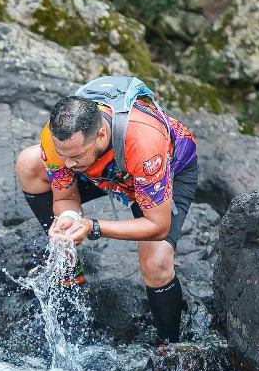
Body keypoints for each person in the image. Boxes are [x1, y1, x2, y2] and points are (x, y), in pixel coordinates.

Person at [15, 78, 198, 346]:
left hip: (161, 175)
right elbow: (65, 195)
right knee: (29, 163)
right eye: (62, 154)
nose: (66, 163)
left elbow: (158, 226)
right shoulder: (59, 141)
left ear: (100, 134)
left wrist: (93, 226)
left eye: (74, 155)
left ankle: (169, 346)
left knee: (156, 261)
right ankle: (67, 265)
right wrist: (68, 220)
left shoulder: (144, 143)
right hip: (102, 172)